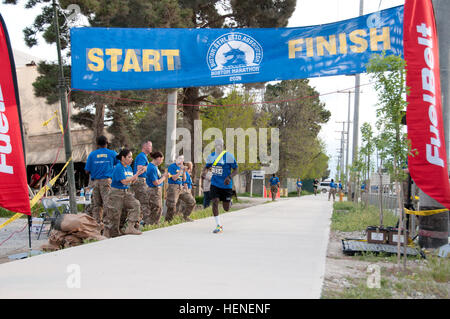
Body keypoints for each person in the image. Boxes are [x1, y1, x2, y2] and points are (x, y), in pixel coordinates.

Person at [103, 149, 146, 238]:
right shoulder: (119, 167)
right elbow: (124, 181)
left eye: (132, 157)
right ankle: (112, 233)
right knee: (115, 215)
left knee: (136, 204)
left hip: (126, 192)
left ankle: (130, 227)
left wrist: (138, 174)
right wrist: (134, 176)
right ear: (123, 158)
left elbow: (131, 182)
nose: (131, 159)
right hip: (116, 193)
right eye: (129, 157)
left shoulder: (129, 168)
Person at [202, 138, 238, 234]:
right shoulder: (211, 156)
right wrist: (204, 172)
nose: (218, 146)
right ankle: (219, 225)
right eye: (216, 145)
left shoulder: (229, 156)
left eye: (220, 145)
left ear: (223, 146)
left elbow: (236, 169)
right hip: (215, 184)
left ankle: (229, 202)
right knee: (215, 201)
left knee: (226, 209)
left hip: (226, 185)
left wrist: (229, 177)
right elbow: (207, 166)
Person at [84, 135, 118, 227]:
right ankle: (108, 224)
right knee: (107, 203)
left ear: (97, 144)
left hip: (95, 182)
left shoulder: (92, 154)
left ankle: (97, 224)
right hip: (107, 181)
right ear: (107, 143)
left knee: (96, 204)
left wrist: (96, 168)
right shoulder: (112, 153)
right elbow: (120, 164)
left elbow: (87, 170)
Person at [165, 155, 196, 223]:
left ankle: (185, 217)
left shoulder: (180, 167)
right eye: (179, 159)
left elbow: (184, 179)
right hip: (173, 187)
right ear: (176, 159)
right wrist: (181, 170)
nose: (181, 160)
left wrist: (184, 172)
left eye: (182, 159)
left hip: (180, 187)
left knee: (191, 201)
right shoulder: (172, 166)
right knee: (172, 205)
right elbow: (174, 178)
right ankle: (168, 221)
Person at [131, 140, 152, 228]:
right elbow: (140, 169)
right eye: (150, 146)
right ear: (144, 146)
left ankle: (137, 223)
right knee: (144, 202)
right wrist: (149, 166)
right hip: (140, 181)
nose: (151, 148)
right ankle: (147, 224)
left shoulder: (143, 157)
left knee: (140, 203)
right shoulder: (141, 156)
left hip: (141, 180)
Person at [144, 151, 168, 225]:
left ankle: (154, 223)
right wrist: (164, 177)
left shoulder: (155, 167)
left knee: (158, 208)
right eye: (161, 159)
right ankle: (150, 224)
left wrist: (162, 176)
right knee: (156, 208)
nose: (162, 161)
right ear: (158, 158)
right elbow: (156, 182)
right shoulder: (152, 168)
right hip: (153, 190)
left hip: (157, 190)